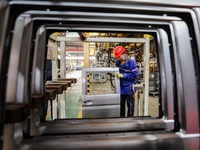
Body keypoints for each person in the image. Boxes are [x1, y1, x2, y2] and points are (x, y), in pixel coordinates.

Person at [114, 46, 139, 117]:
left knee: (130, 108)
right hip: (121, 89)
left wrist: (124, 75)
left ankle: (130, 121)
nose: (118, 58)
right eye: (117, 57)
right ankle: (122, 120)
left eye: (119, 57)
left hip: (129, 89)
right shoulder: (117, 63)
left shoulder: (131, 63)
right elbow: (116, 72)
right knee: (121, 108)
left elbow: (135, 74)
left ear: (124, 54)